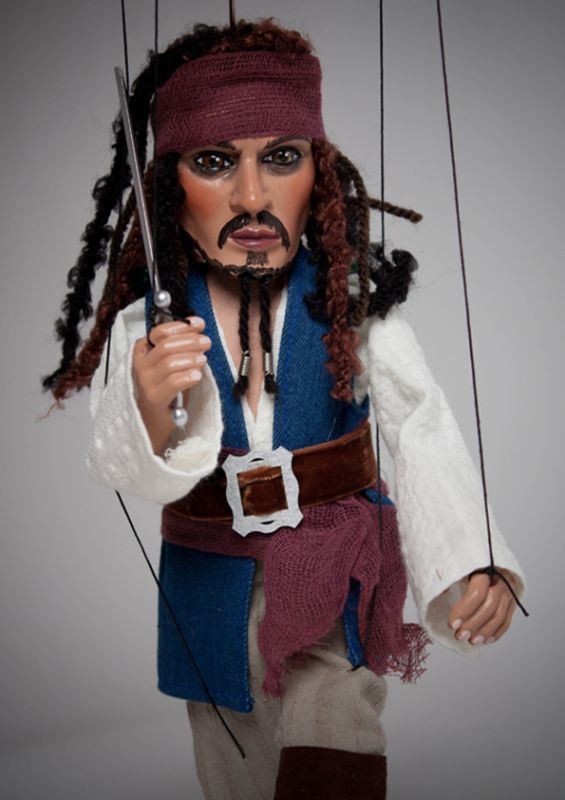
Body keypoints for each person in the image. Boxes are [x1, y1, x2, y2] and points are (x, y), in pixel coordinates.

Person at [43, 18, 525, 800]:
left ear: (318, 173)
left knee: (332, 725)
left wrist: (471, 555)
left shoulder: (350, 307)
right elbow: (131, 465)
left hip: (329, 562)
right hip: (211, 574)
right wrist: (149, 406)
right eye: (213, 162)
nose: (250, 196)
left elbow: (420, 425)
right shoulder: (148, 326)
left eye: (281, 157)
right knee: (235, 757)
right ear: (169, 187)